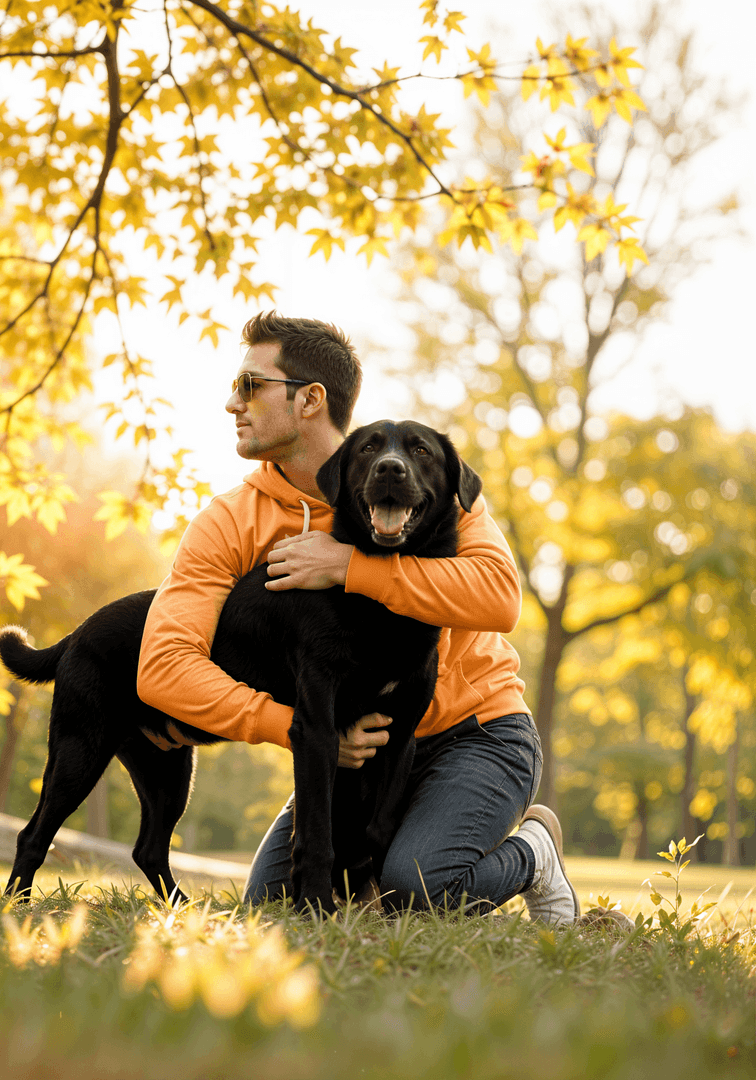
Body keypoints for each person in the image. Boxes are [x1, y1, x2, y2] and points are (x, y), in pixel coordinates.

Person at [136, 312, 579, 924]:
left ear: (310, 399)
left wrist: (351, 566)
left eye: (249, 386)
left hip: (475, 733)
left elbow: (499, 597)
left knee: (414, 888)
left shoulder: (423, 472)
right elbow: (163, 668)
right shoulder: (230, 522)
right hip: (349, 753)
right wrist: (298, 726)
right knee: (275, 905)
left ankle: (535, 852)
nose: (231, 403)